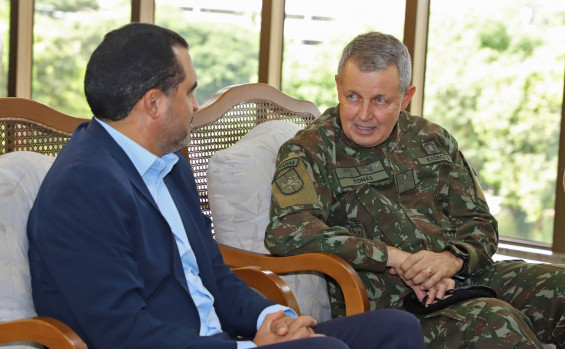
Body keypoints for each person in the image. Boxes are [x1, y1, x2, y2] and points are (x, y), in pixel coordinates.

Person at [26, 23, 425, 349]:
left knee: (397, 330)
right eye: (190, 91)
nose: (197, 106)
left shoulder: (169, 167)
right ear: (153, 104)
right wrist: (250, 347)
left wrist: (275, 319)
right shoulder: (83, 187)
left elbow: (214, 277)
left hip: (219, 339)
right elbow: (122, 333)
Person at [265, 31, 565, 348]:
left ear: (406, 96)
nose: (363, 115)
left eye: (380, 100)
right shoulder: (310, 151)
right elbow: (287, 230)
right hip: (396, 307)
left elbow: (481, 223)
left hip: (469, 279)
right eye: (353, 96)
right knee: (493, 321)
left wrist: (452, 259)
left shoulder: (433, 139)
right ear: (338, 85)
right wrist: (394, 258)